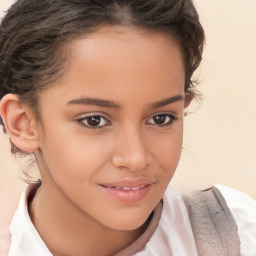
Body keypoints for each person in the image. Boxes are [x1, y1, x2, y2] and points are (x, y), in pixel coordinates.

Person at [0, 0, 255, 255]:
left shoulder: (239, 235)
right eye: (94, 120)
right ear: (22, 123)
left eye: (161, 118)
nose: (136, 158)